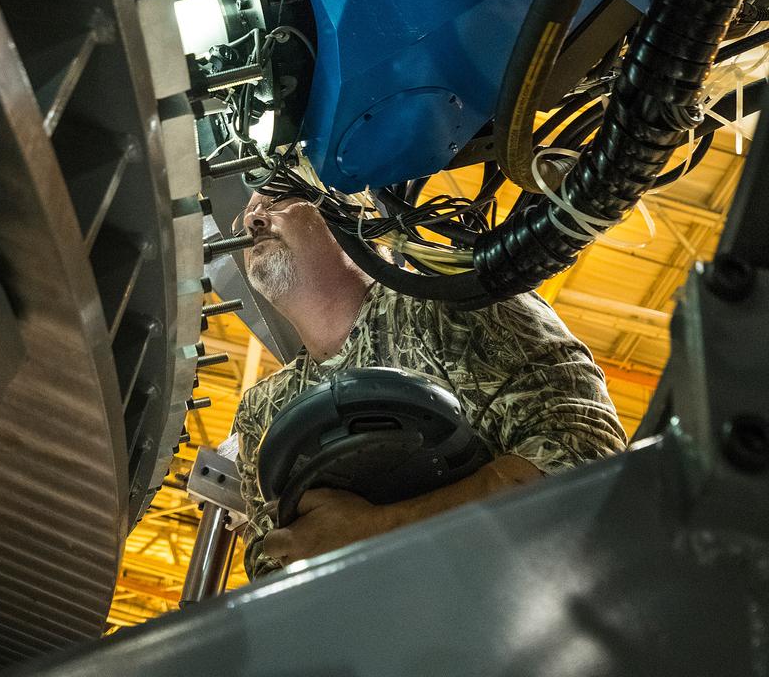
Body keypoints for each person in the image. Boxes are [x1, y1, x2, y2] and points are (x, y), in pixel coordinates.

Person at [233, 192, 627, 578]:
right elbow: (270, 563)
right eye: (248, 212)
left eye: (276, 201)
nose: (252, 220)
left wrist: (379, 531)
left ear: (356, 211)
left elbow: (586, 450)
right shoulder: (262, 409)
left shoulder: (456, 304)